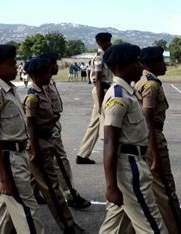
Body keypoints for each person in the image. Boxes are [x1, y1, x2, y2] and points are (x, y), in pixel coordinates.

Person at [99, 43, 165, 233]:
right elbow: (110, 141)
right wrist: (111, 186)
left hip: (133, 161)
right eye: (135, 62)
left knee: (115, 224)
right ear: (122, 66)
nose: (140, 66)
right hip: (129, 167)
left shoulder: (128, 92)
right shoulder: (118, 97)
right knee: (151, 225)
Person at [0, 45, 43, 233]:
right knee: (27, 210)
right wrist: (3, 178)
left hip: (17, 154)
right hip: (7, 157)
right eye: (10, 64)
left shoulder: (9, 90)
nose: (16, 68)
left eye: (15, 63)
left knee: (2, 212)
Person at [24, 57, 85, 233]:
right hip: (40, 143)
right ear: (36, 75)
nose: (48, 75)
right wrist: (35, 149)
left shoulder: (42, 91)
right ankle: (68, 224)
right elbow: (31, 126)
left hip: (47, 139)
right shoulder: (33, 97)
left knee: (30, 183)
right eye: (44, 73)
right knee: (51, 187)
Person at [135, 46, 181, 234]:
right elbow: (148, 119)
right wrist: (155, 154)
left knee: (150, 189)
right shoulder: (151, 85)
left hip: (147, 138)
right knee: (166, 190)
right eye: (161, 61)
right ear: (152, 63)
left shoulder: (145, 81)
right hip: (153, 138)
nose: (165, 65)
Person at [38, 52, 91, 210]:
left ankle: (33, 191)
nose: (57, 66)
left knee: (39, 163)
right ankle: (70, 194)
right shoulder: (43, 84)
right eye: (55, 63)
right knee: (60, 162)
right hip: (48, 129)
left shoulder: (50, 81)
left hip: (53, 126)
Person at [76, 32, 113, 164]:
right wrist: (100, 99)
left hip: (105, 89)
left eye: (109, 41)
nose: (109, 44)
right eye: (107, 42)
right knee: (102, 121)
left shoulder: (106, 55)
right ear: (100, 43)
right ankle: (83, 154)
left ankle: (82, 154)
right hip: (101, 90)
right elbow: (98, 80)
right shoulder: (99, 58)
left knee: (95, 123)